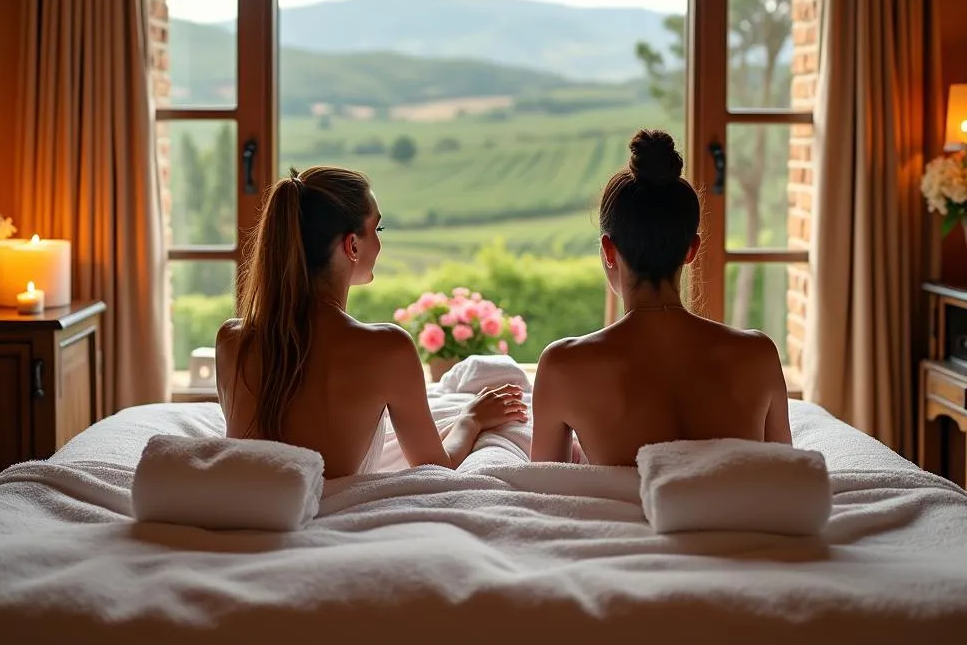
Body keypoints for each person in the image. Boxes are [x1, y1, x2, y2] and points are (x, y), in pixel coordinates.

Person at [216, 166, 527, 479]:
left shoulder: (230, 341)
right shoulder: (387, 350)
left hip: (252, 515)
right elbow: (435, 467)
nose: (379, 244)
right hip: (326, 521)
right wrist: (470, 420)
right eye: (377, 230)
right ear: (352, 246)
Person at [530, 130, 792, 466]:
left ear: (609, 251)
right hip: (734, 519)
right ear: (692, 250)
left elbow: (544, 488)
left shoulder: (562, 366)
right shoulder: (759, 355)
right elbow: (785, 476)